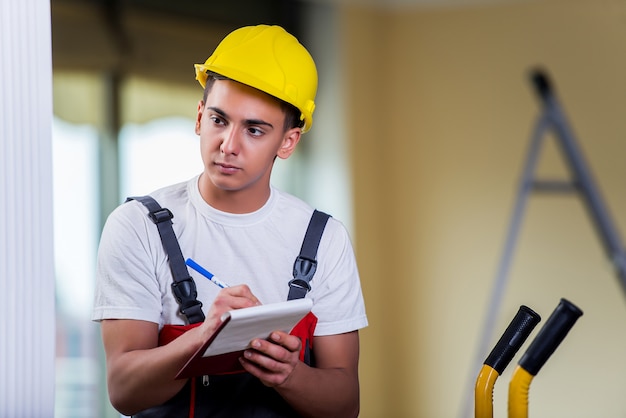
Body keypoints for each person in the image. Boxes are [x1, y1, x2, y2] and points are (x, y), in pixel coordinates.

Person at [92, 24, 368, 417]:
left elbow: (346, 405)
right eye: (219, 120)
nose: (228, 145)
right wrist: (205, 336)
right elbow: (123, 391)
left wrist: (289, 375)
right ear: (200, 116)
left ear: (287, 142)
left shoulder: (324, 239)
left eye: (254, 129)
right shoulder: (138, 227)